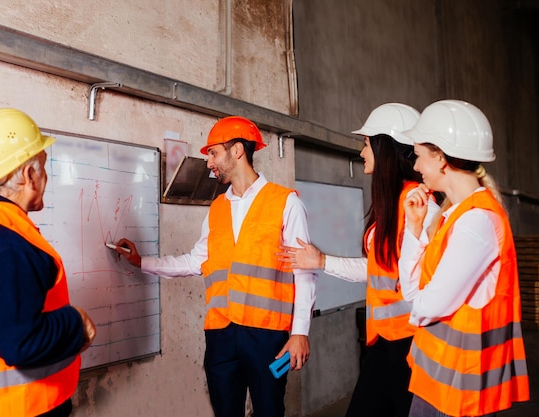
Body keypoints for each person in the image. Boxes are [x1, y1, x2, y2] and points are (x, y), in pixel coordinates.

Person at [112, 116, 317, 417]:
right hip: (221, 336)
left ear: (237, 151)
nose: (209, 162)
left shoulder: (285, 203)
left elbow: (305, 272)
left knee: (269, 411)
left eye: (213, 153)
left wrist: (300, 332)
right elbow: (197, 260)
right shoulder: (217, 207)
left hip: (268, 337)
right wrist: (142, 262)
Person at [279, 103, 439, 417]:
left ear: (386, 147)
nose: (362, 152)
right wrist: (321, 261)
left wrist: (323, 261)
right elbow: (377, 271)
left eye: (366, 144)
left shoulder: (420, 206)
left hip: (413, 344)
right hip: (384, 341)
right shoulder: (392, 205)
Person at [0, 108, 96, 417]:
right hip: (20, 409)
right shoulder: (5, 243)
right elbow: (22, 344)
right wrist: (76, 323)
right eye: (44, 168)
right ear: (28, 175)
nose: (45, 177)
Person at [398, 99, 530, 417]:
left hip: (456, 391)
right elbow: (414, 295)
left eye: (418, 156)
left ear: (441, 158)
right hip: (438, 382)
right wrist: (413, 230)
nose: (415, 167)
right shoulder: (452, 217)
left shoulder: (476, 222)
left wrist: (418, 303)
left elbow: (423, 304)